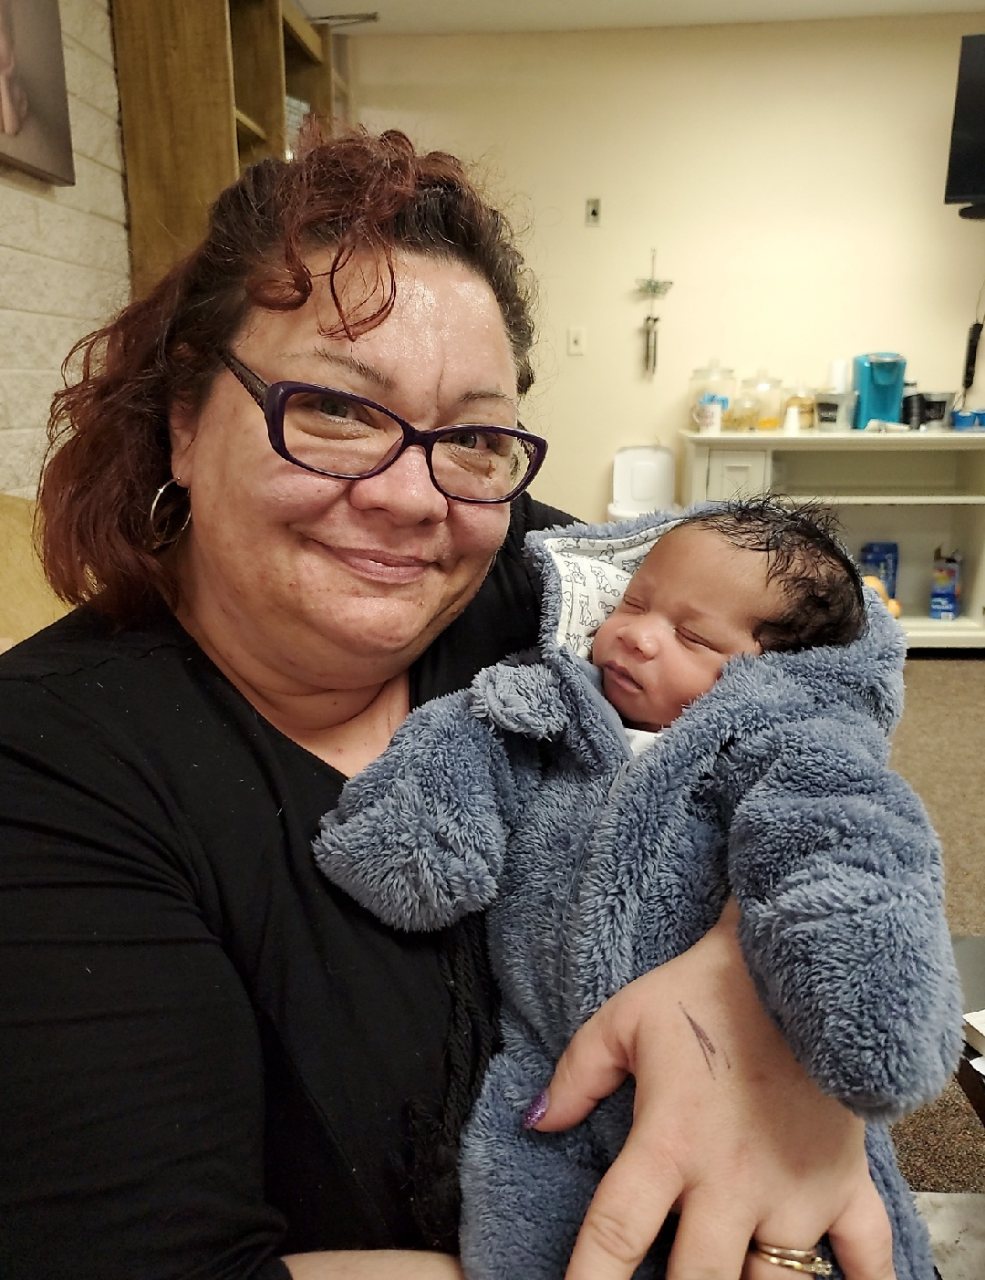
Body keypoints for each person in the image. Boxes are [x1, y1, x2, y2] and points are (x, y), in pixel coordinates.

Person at [0, 127, 900, 1280]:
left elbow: (832, 640)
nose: (413, 495)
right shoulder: (49, 769)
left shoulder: (535, 584)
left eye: (472, 436)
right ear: (185, 418)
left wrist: (756, 986)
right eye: (336, 409)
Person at [315, 498, 960, 1280]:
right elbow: (437, 796)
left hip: (757, 1078)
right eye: (634, 602)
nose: (636, 635)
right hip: (552, 1082)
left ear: (773, 669)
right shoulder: (546, 701)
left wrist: (865, 1015)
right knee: (541, 1243)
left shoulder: (784, 744)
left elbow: (846, 845)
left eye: (692, 637)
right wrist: (414, 834)